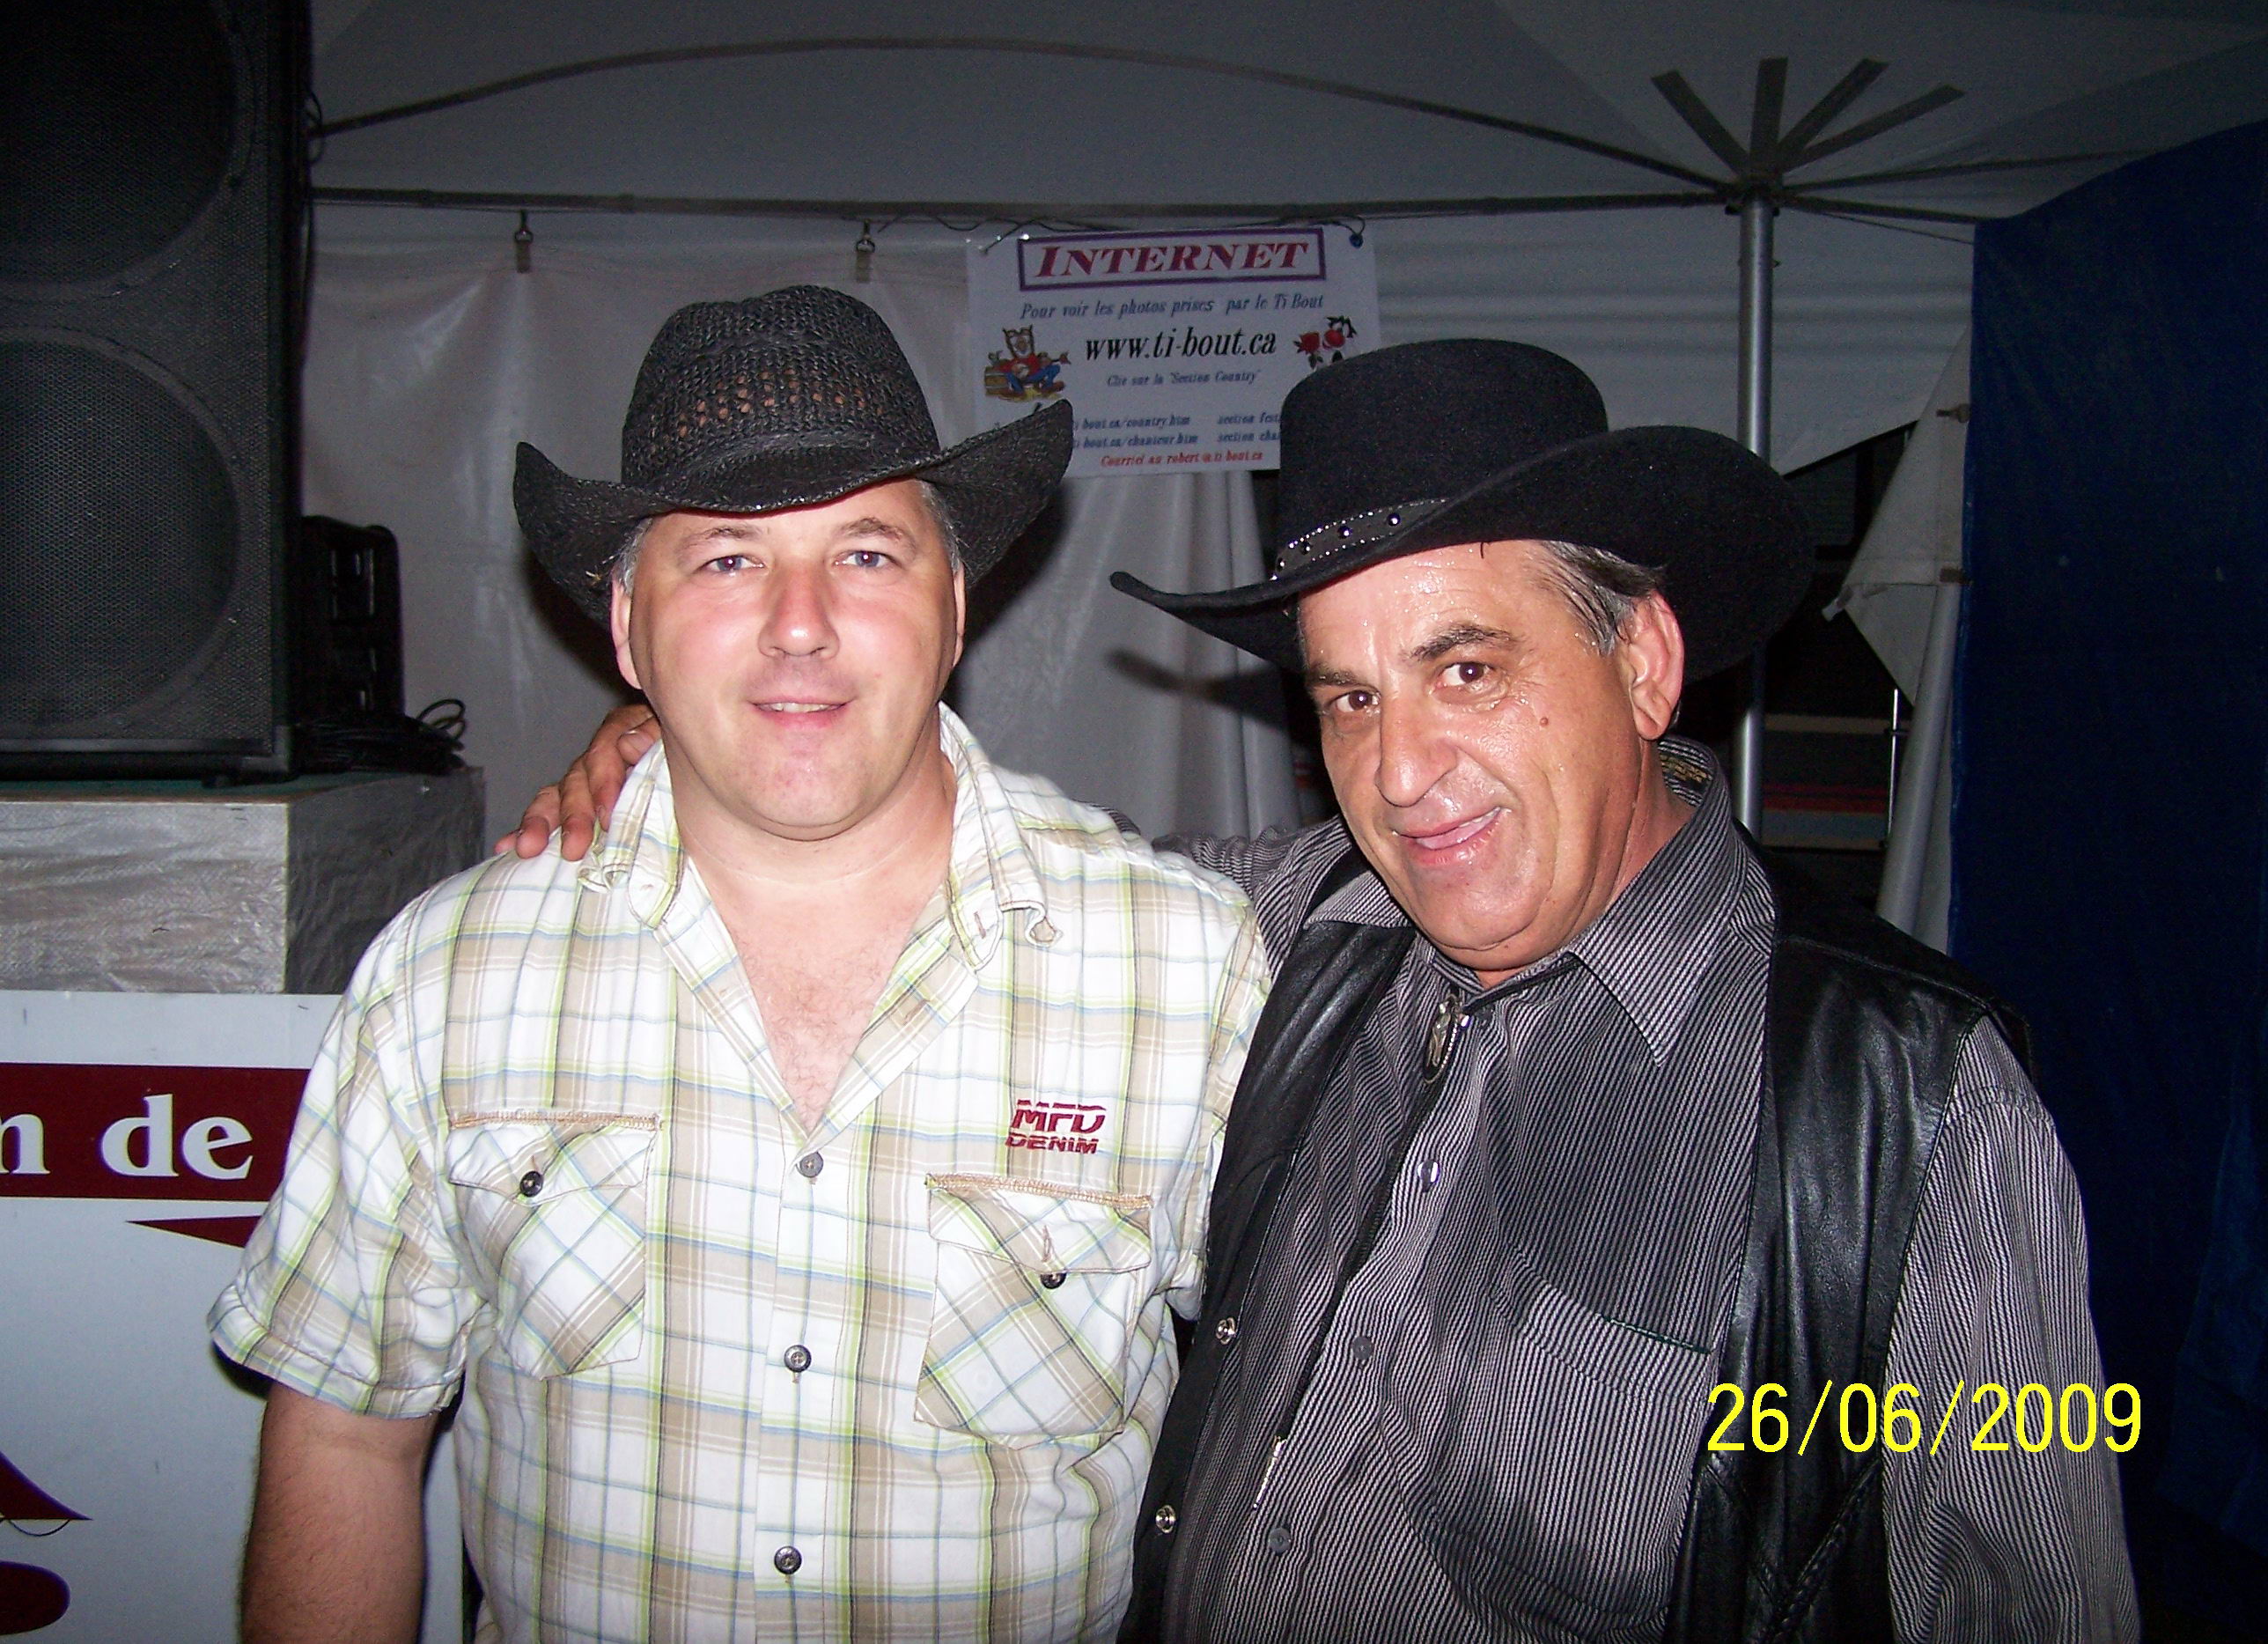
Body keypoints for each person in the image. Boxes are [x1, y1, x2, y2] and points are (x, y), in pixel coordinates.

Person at [517, 339, 2136, 1641]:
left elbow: (2030, 1586)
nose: (1402, 771)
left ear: (1644, 662)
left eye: (1467, 668)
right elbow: (966, 866)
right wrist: (718, 740)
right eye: (1348, 698)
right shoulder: (1298, 931)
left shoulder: (1907, 1108)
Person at [212, 286, 1270, 1643]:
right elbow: (347, 1436)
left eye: (867, 555)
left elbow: (1302, 1446)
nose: (800, 623)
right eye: (725, 560)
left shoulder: (1182, 970)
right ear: (626, 627)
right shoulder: (452, 975)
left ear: (954, 606)